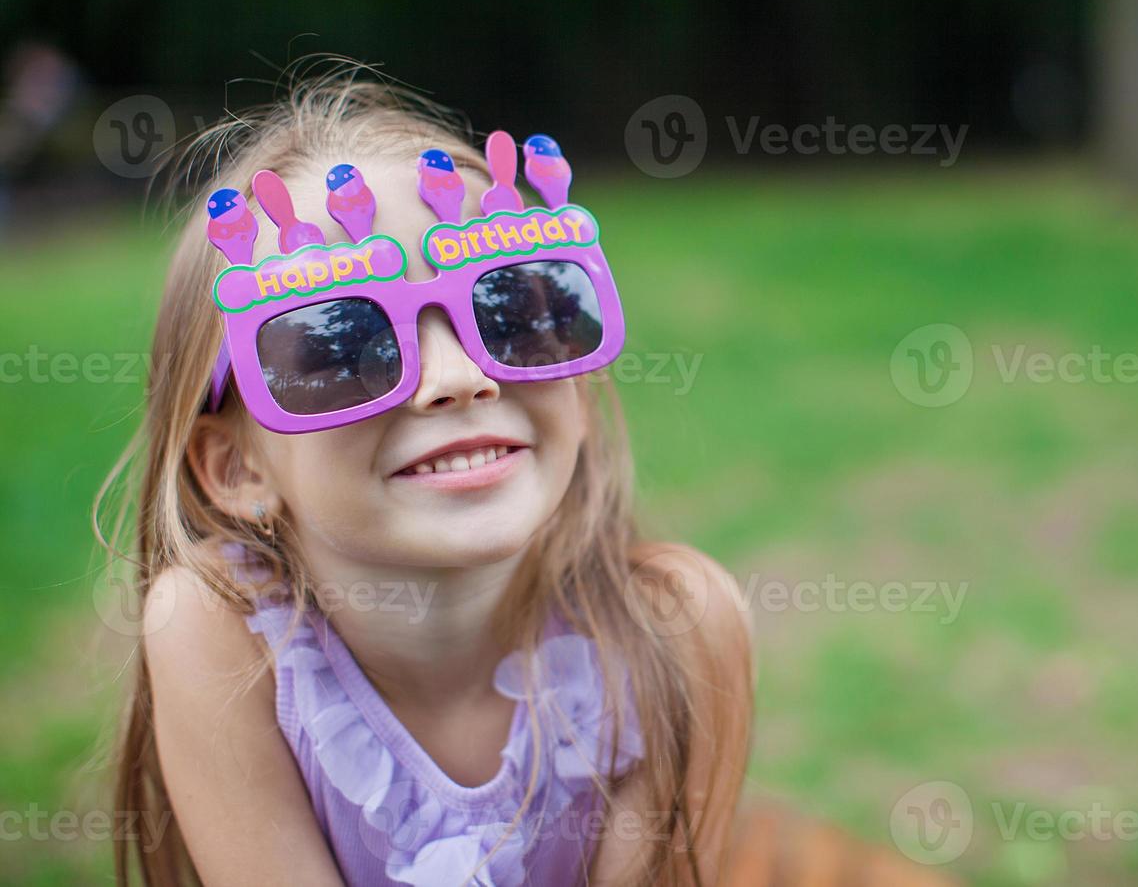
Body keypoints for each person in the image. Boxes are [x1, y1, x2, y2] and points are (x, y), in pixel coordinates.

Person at [100, 65, 752, 886]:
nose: (456, 376)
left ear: (579, 392)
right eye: (342, 346)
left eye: (512, 311)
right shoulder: (215, 635)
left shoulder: (677, 632)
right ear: (235, 468)